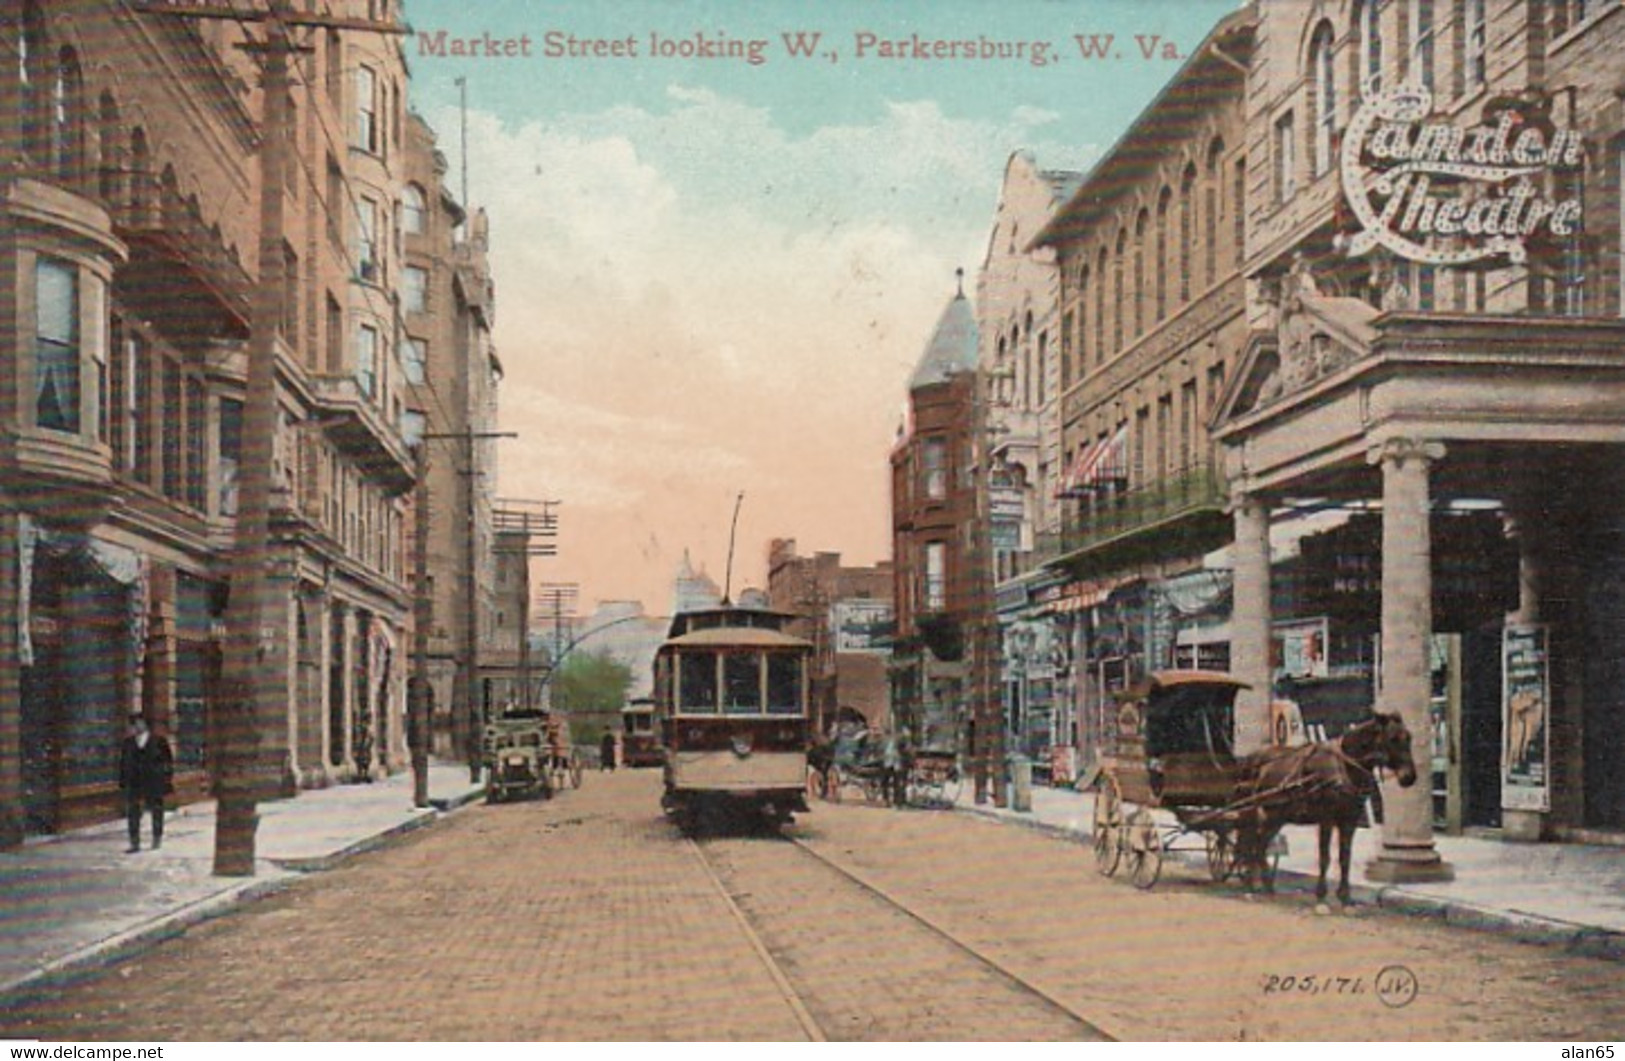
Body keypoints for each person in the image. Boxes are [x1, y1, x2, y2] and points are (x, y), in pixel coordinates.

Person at [118, 712, 173, 853]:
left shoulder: (158, 741)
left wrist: (166, 779)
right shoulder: (128, 743)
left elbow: (168, 762)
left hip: (154, 781)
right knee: (133, 812)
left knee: (156, 810)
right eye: (133, 724)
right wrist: (123, 782)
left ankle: (156, 837)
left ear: (144, 724)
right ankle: (134, 842)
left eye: (138, 723)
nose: (135, 727)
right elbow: (123, 763)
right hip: (134, 782)